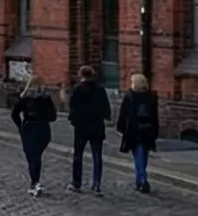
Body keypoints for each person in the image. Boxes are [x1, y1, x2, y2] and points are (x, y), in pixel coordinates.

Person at [67, 65, 112, 194]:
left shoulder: (77, 90)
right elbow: (107, 110)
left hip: (81, 127)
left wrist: (74, 121)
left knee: (78, 155)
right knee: (97, 156)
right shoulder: (100, 90)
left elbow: (73, 109)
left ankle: (76, 183)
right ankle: (97, 184)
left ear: (81, 75)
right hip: (97, 126)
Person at [10, 79, 58, 196]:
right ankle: (35, 182)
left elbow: (14, 114)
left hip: (29, 129)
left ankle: (34, 183)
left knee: (32, 157)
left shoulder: (25, 99)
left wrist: (20, 126)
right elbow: (53, 117)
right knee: (36, 156)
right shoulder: (46, 99)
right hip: (43, 129)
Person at [118, 73, 161, 195]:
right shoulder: (151, 97)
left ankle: (143, 180)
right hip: (148, 129)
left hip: (134, 130)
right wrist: (155, 131)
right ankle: (139, 181)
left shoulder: (130, 96)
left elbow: (123, 114)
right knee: (143, 156)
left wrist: (121, 128)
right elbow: (155, 116)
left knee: (138, 156)